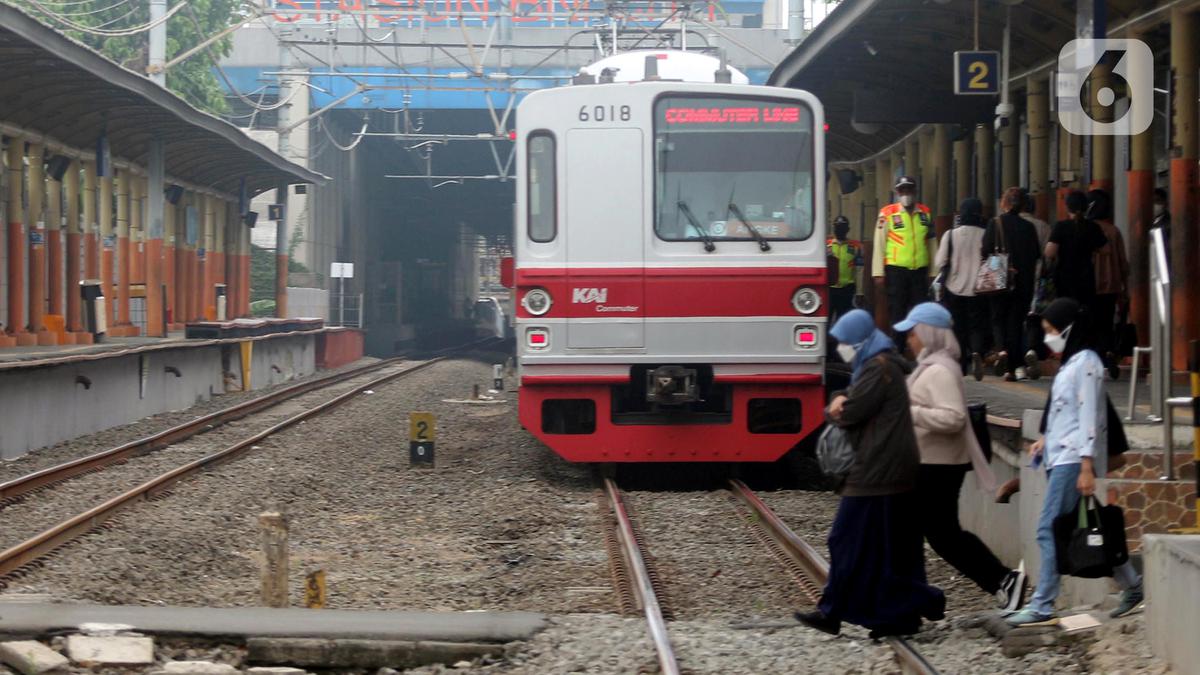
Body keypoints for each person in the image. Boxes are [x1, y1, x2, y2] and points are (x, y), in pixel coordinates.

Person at [795, 309, 945, 639]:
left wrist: (835, 405)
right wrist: (840, 401)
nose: (843, 349)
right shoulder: (879, 365)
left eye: (846, 342)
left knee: (846, 539)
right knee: (888, 547)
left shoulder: (879, 368)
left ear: (861, 340)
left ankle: (835, 611)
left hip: (878, 468)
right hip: (889, 466)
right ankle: (899, 615)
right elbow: (854, 403)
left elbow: (852, 412)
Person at [1006, 298, 1145, 627]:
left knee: (1048, 528)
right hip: (1063, 456)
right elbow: (1064, 413)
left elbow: (1087, 417)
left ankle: (1042, 604)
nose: (1048, 338)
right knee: (1090, 525)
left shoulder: (1086, 363)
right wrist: (1044, 440)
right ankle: (1133, 586)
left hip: (1073, 461)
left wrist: (1086, 466)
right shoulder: (1071, 363)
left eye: (1052, 331)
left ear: (1070, 328)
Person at [894, 302, 1029, 611]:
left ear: (928, 333)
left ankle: (1001, 580)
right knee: (932, 534)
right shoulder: (934, 367)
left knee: (940, 535)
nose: (909, 340)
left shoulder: (940, 371)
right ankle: (918, 599)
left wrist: (911, 412)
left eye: (913, 333)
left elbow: (953, 418)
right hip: (932, 463)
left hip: (938, 466)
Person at [983, 188, 1042, 381]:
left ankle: (1002, 352)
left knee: (997, 318)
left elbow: (985, 251)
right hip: (1023, 283)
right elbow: (1036, 254)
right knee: (1015, 323)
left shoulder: (995, 223)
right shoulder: (1028, 228)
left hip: (999, 280)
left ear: (1004, 202)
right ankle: (1015, 367)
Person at [873, 176, 936, 339]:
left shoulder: (925, 213)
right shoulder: (887, 213)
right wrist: (878, 273)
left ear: (915, 191)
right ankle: (898, 350)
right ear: (897, 192)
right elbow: (879, 243)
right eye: (902, 190)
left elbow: (932, 243)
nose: (906, 193)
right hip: (896, 271)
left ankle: (921, 349)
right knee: (898, 312)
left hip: (919, 272)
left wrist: (933, 272)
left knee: (921, 313)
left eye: (909, 189)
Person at [934, 198, 989, 380]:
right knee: (976, 325)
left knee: (958, 327)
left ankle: (961, 364)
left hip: (954, 288)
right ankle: (977, 353)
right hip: (979, 288)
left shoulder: (950, 235)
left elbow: (940, 262)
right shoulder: (986, 234)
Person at [1045, 191, 1107, 317]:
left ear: (1068, 207)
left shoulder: (1061, 226)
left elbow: (1049, 253)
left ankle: (1068, 334)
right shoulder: (1093, 227)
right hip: (1086, 276)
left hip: (1064, 277)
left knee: (1065, 312)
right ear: (1085, 207)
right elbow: (1106, 250)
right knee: (1084, 311)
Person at [1090, 189, 1130, 380]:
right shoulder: (1114, 231)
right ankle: (1108, 353)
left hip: (1089, 286)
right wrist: (1125, 288)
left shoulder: (1085, 228)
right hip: (1111, 286)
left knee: (1089, 324)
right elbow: (1123, 262)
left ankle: (1096, 359)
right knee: (1106, 323)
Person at [1019, 190, 1051, 380]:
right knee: (1033, 317)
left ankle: (1019, 360)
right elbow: (1049, 255)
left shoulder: (1007, 223)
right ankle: (1032, 350)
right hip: (1037, 276)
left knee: (1016, 319)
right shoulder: (1043, 226)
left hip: (1014, 278)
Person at [827, 215, 862, 323]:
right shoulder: (826, 245)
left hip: (847, 289)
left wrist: (860, 292)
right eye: (837, 227)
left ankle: (840, 340)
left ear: (848, 229)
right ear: (834, 228)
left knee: (842, 321)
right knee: (826, 320)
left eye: (843, 227)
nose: (840, 230)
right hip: (829, 289)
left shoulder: (856, 246)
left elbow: (860, 270)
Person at [1153, 187, 1170, 266]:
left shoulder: (1170, 225)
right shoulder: (1147, 222)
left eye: (1158, 201)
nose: (1154, 205)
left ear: (1165, 203)